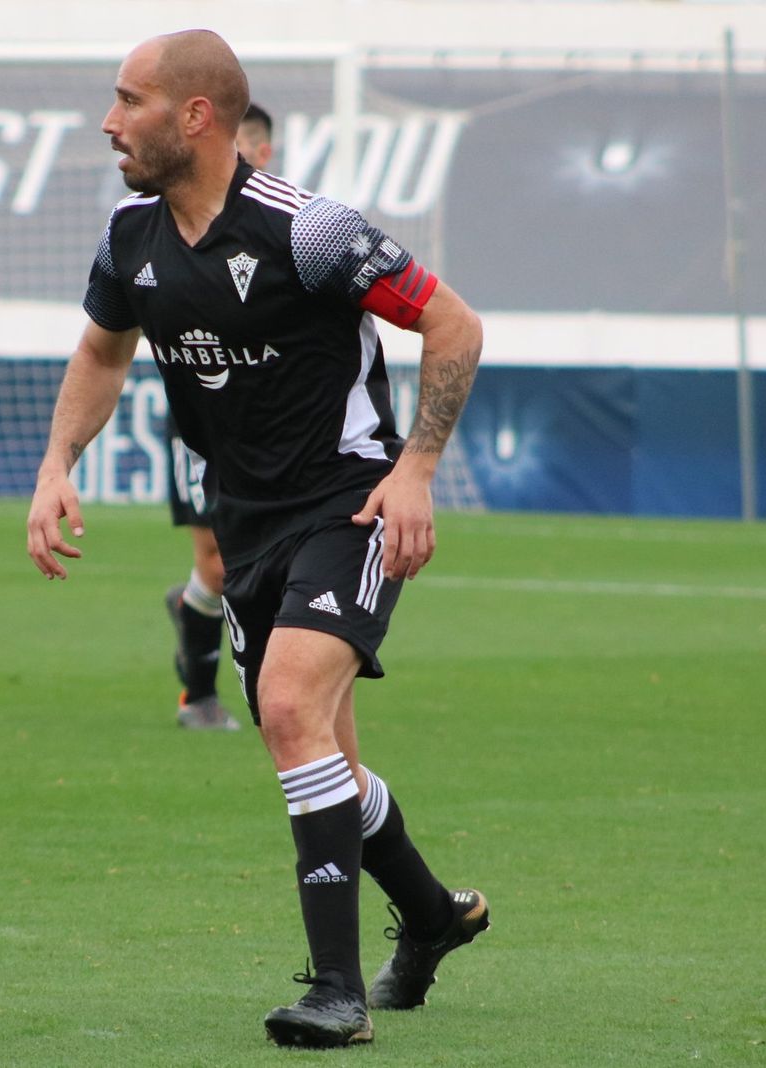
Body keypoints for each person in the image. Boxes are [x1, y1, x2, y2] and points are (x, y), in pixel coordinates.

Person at [25, 31, 488, 1050]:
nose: (109, 121)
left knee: (285, 709)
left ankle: (336, 992)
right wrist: (57, 463)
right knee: (328, 764)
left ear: (193, 116)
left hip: (350, 507)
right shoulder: (128, 236)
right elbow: (101, 352)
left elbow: (452, 325)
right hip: (242, 529)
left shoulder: (310, 232)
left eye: (127, 99)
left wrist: (413, 472)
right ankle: (431, 916)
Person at [162, 102, 273, 733]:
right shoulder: (171, 227)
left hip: (266, 430)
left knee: (237, 568)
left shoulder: (285, 228)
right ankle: (197, 698)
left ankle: (193, 609)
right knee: (220, 565)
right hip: (199, 427)